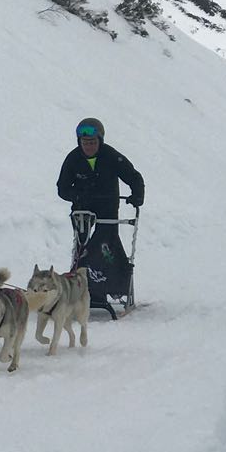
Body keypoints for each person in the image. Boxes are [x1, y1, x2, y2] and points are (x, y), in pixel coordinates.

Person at [57, 117, 144, 314]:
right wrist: (76, 196)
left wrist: (137, 196)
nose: (88, 147)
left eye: (93, 143)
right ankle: (81, 288)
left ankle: (107, 286)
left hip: (107, 207)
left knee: (104, 243)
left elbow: (134, 177)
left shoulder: (111, 156)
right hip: (83, 210)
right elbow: (62, 188)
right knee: (83, 247)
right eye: (85, 143)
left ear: (100, 141)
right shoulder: (73, 159)